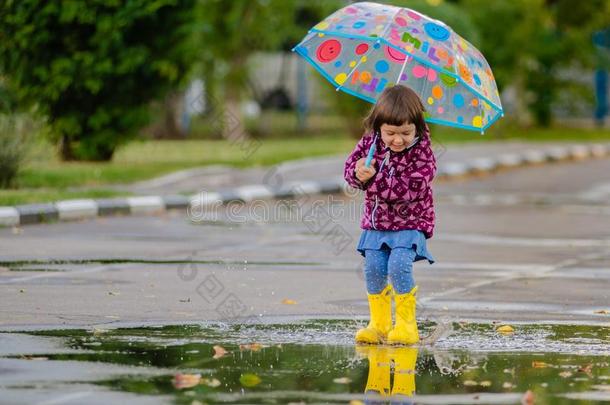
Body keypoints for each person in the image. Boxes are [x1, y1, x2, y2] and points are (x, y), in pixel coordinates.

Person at [344, 84, 436, 345]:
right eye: (390, 133)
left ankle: (407, 325)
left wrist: (373, 180)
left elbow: (408, 190)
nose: (398, 140)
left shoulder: (423, 154)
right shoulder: (370, 143)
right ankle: (380, 324)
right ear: (378, 127)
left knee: (398, 266)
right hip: (377, 224)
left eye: (406, 132)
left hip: (410, 222)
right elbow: (350, 170)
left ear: (417, 126)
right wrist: (358, 172)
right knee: (373, 268)